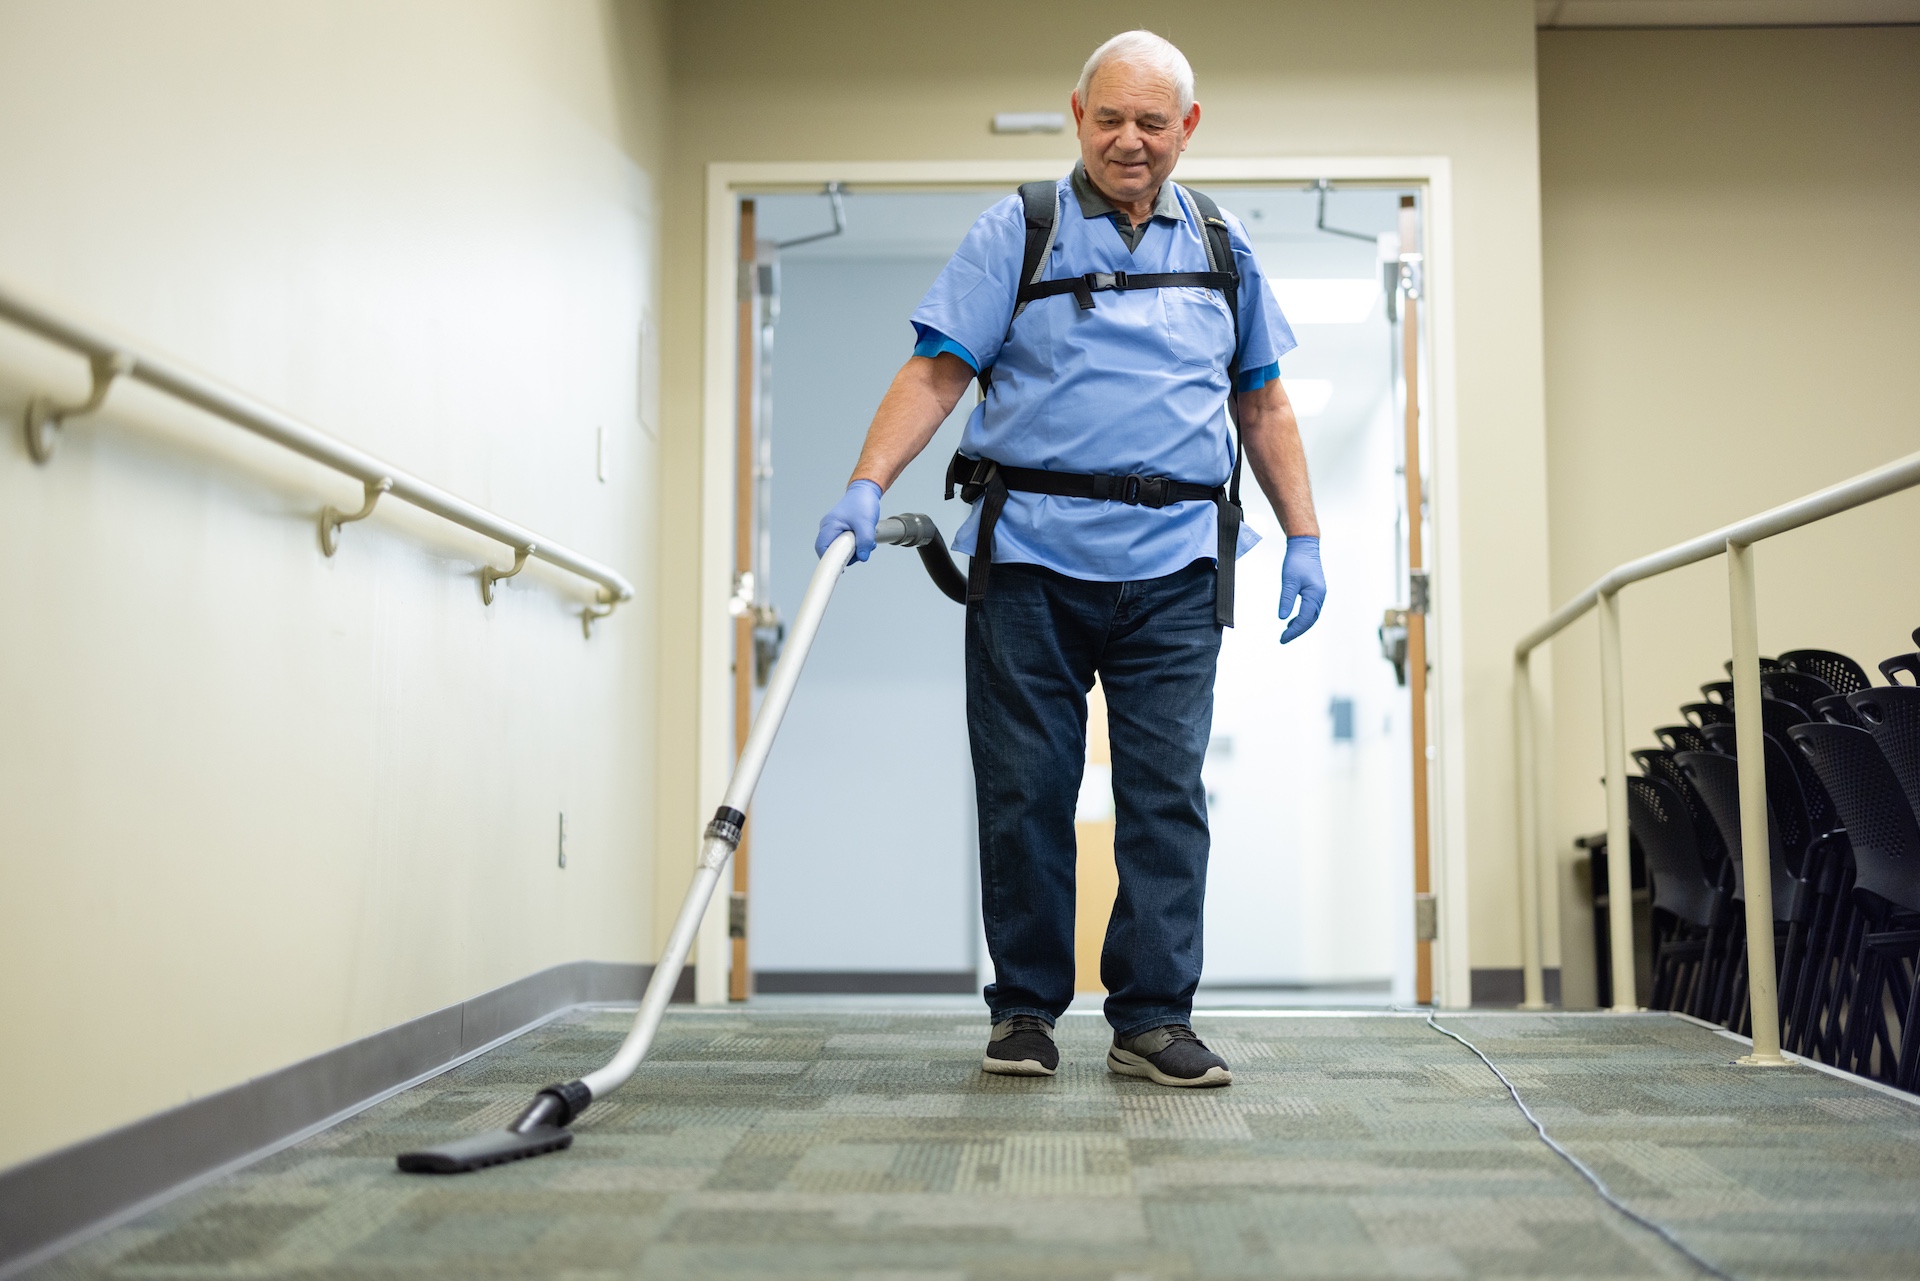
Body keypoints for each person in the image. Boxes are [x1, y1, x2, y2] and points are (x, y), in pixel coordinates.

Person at [815, 30, 1324, 1088]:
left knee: (1166, 798)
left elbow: (1263, 401)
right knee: (1026, 792)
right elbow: (935, 374)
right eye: (1110, 120)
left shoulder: (1224, 245)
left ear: (1188, 127)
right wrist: (870, 482)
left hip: (1177, 571)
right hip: (1032, 566)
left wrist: (1307, 537)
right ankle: (1024, 1014)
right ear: (1077, 115)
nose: (1129, 143)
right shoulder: (1022, 229)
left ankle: (1151, 1017)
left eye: (1152, 123)